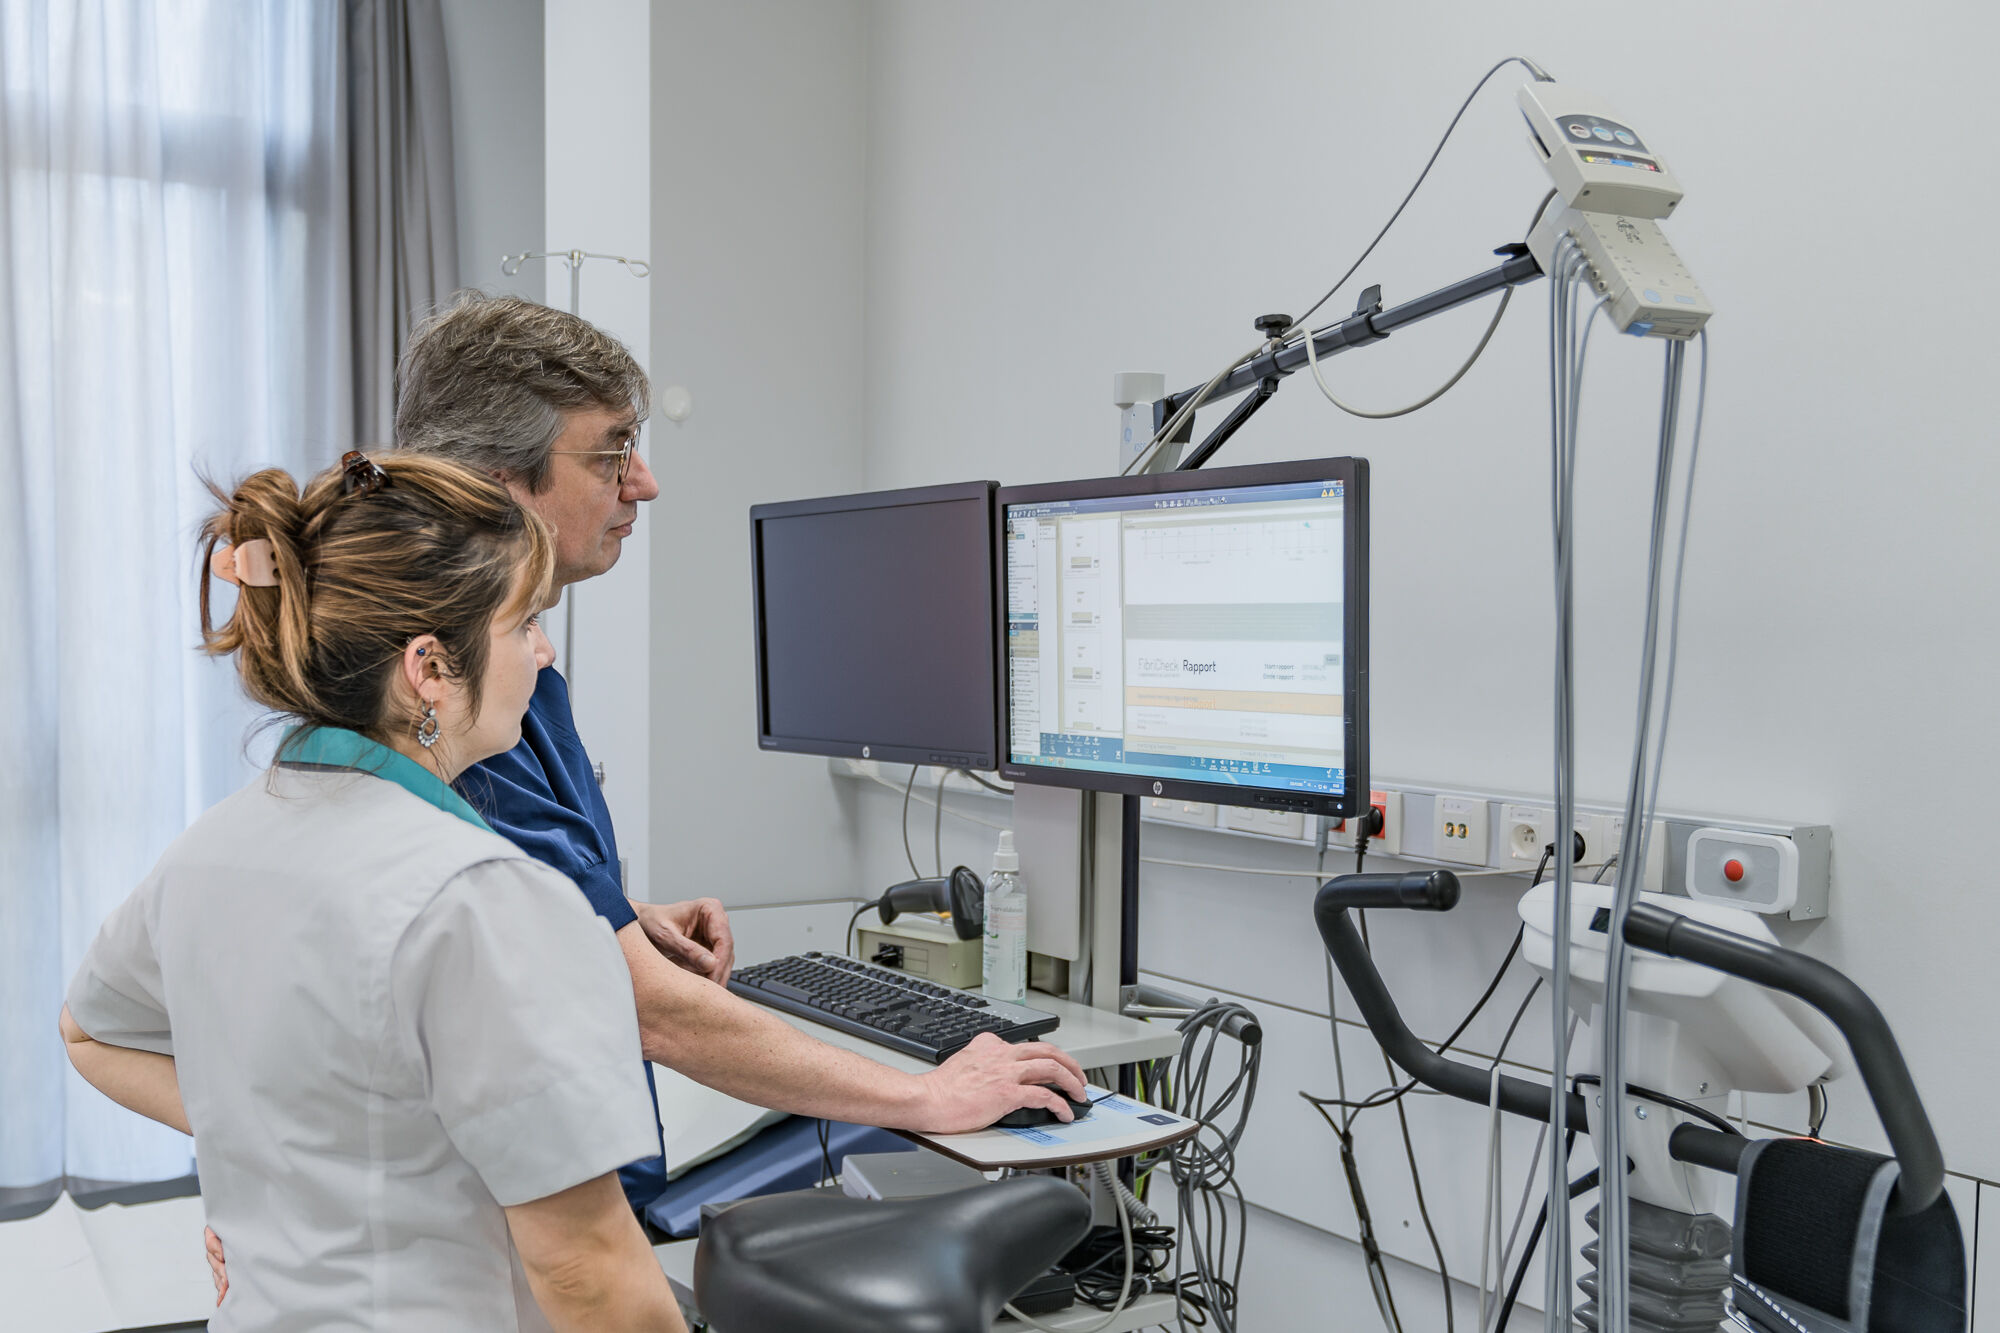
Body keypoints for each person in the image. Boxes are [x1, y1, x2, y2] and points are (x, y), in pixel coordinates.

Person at [393, 293, 1088, 1216]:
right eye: (611, 453)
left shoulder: (507, 667)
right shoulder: (454, 696)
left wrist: (621, 917)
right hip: (515, 1222)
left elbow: (497, 906)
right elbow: (648, 1005)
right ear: (499, 482)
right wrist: (928, 1094)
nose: (643, 483)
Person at [62, 452, 690, 1331]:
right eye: (524, 623)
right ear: (430, 667)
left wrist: (280, 1146)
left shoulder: (204, 856)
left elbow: (89, 1029)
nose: (544, 652)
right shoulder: (486, 899)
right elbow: (590, 1272)